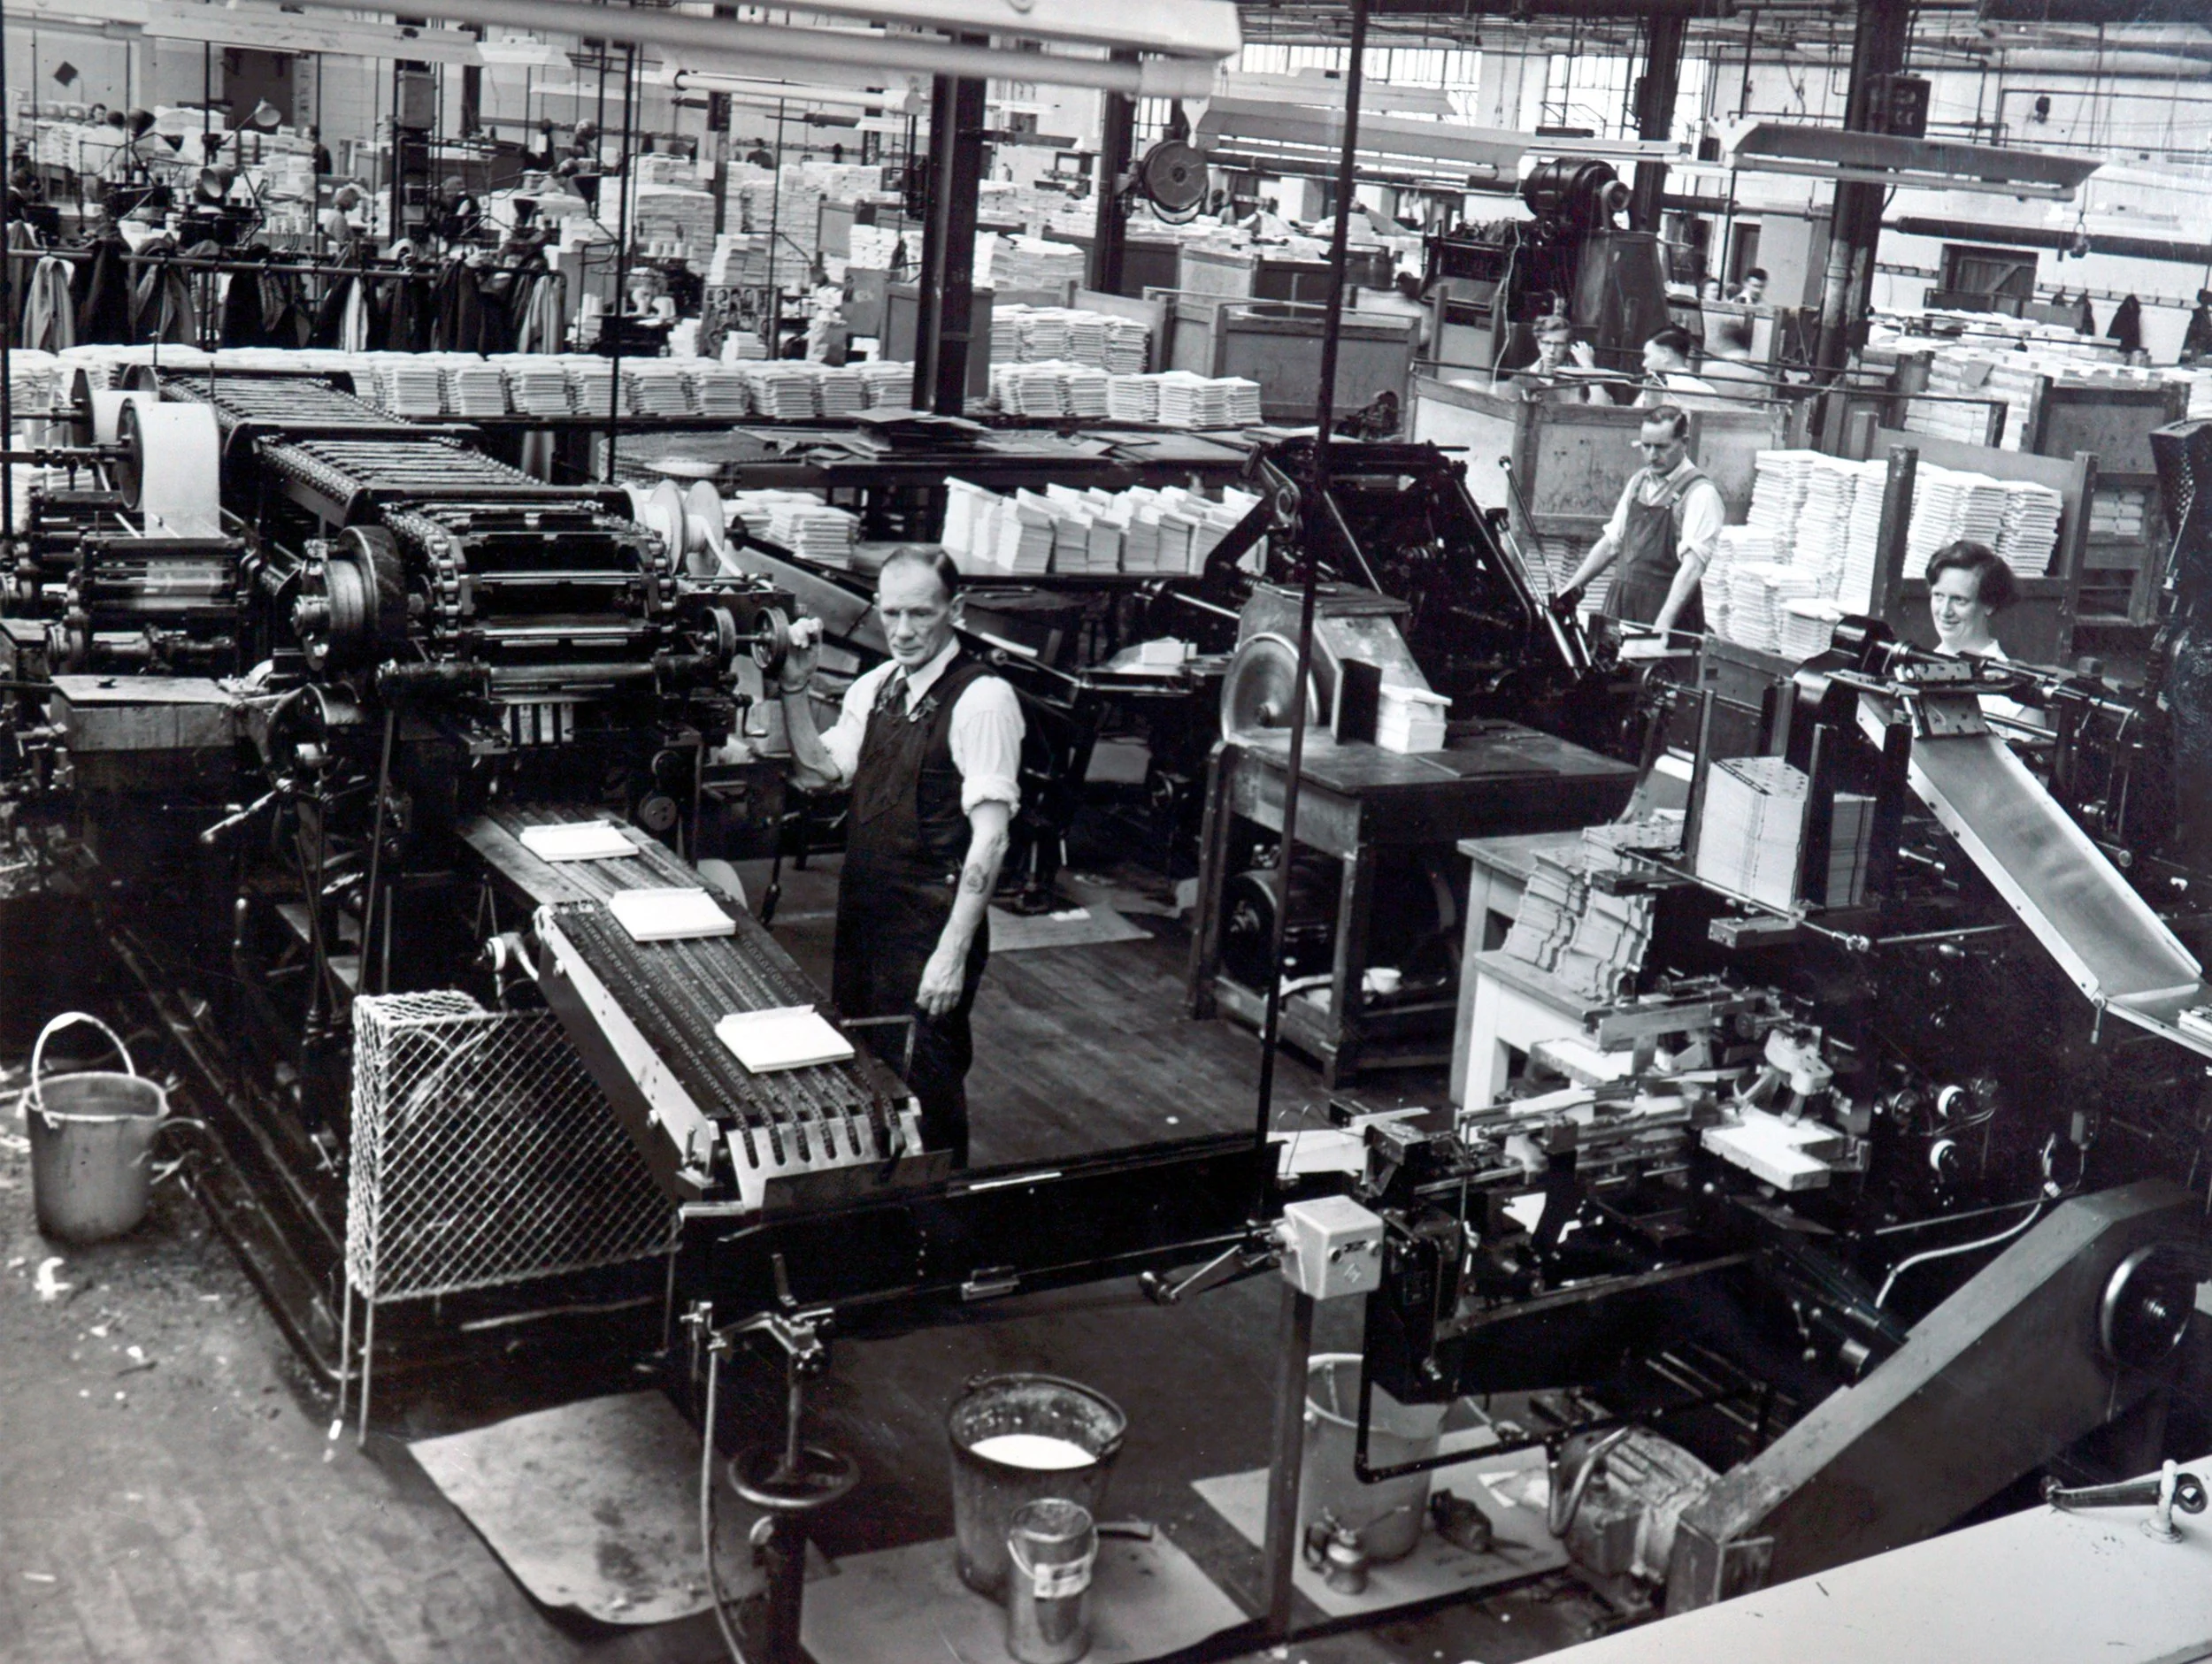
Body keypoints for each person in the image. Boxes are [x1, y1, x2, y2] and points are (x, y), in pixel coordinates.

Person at [775, 548, 1025, 1167]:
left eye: (922, 613)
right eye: (893, 613)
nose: (905, 630)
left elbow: (990, 838)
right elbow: (817, 773)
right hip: (867, 920)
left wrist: (950, 954)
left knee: (928, 1093)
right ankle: (884, 1215)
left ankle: (939, 1237)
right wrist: (794, 687)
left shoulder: (983, 699)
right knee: (868, 1073)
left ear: (956, 611)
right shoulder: (877, 688)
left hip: (928, 932)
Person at [1551, 403, 1724, 640]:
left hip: (1668, 613)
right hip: (1621, 604)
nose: (1652, 455)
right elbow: (1612, 543)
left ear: (1684, 442)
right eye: (1646, 446)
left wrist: (1663, 627)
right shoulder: (1638, 482)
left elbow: (1692, 568)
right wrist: (1569, 591)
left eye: (1662, 447)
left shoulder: (1700, 494)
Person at [1926, 541, 2016, 661]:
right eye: (1938, 596)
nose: (1945, 611)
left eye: (1959, 600)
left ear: (1990, 605)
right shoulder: (1918, 666)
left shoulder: (2002, 676)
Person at [1629, 326, 1717, 404]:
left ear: (1666, 355)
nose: (1644, 364)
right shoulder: (1709, 390)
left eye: (1648, 356)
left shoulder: (1657, 388)